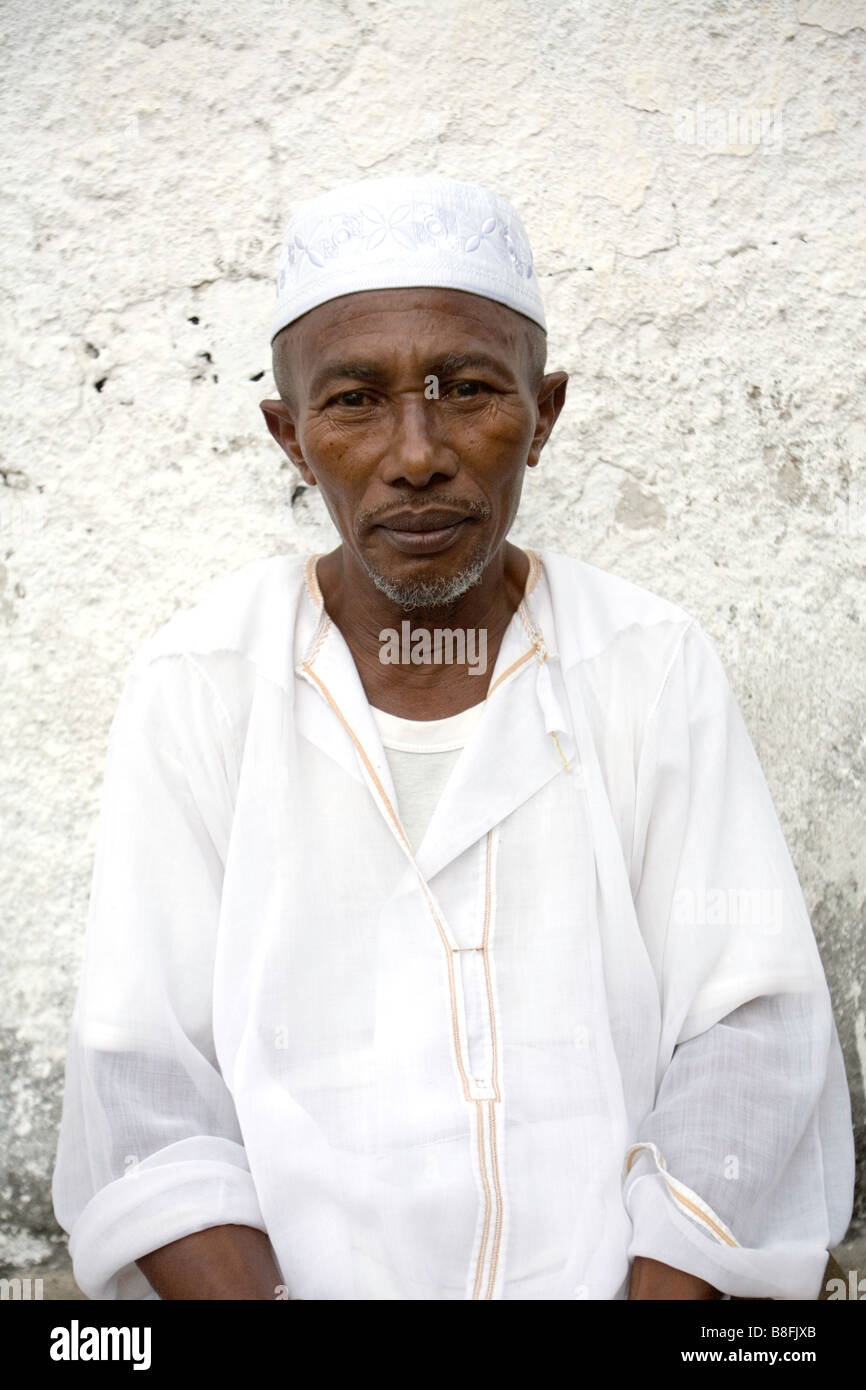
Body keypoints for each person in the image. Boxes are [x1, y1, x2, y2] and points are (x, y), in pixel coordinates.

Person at [52, 174, 854, 1301]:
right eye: (354, 402)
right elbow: (144, 1080)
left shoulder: (647, 664)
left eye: (466, 390)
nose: (416, 452)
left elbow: (749, 1033)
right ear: (289, 435)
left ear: (544, 416)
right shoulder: (199, 685)